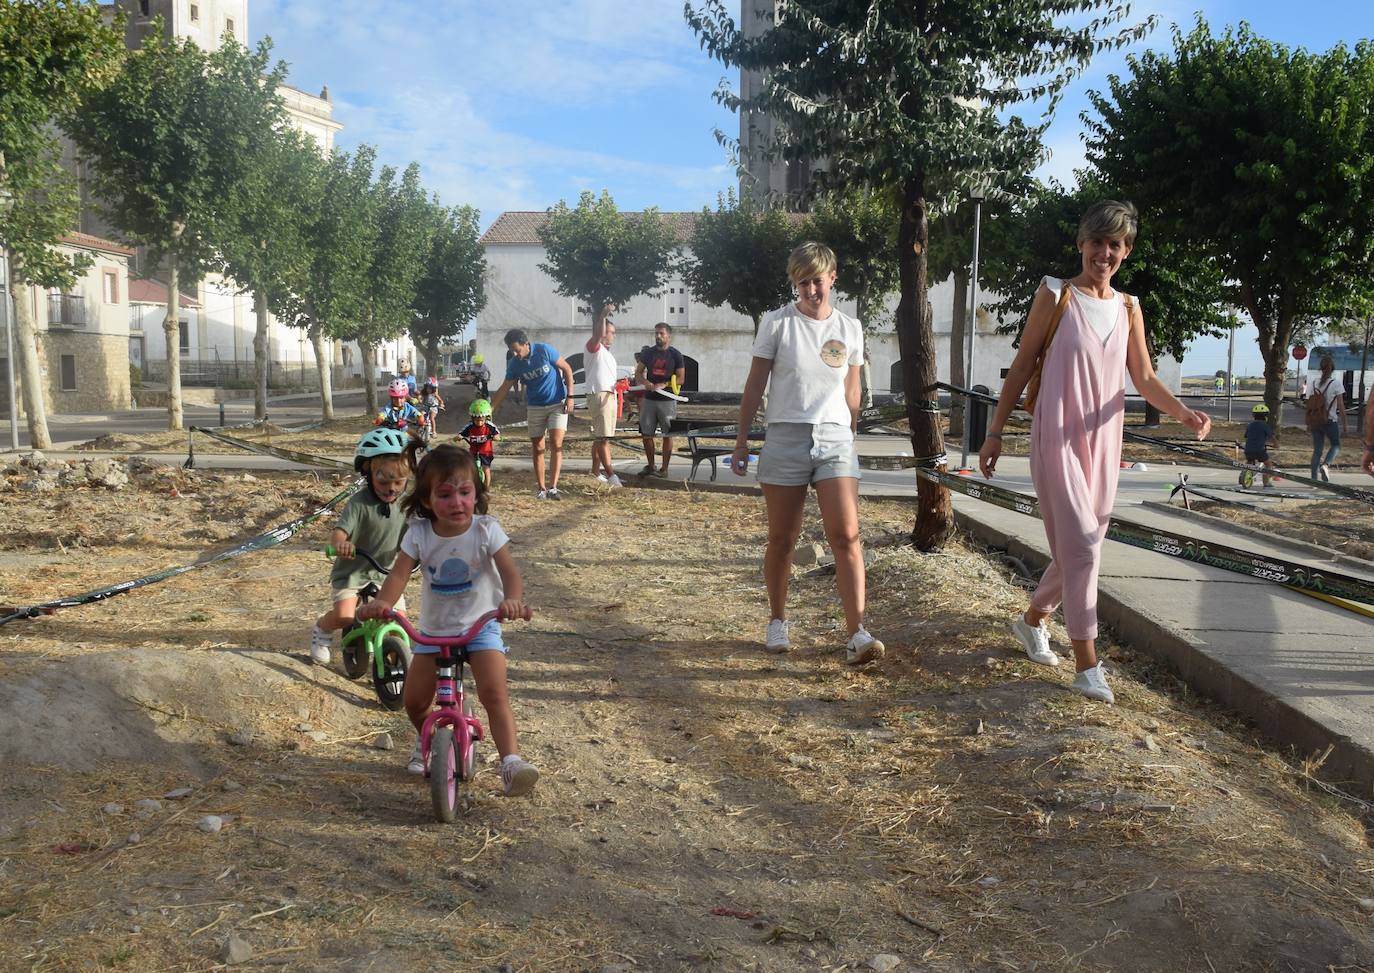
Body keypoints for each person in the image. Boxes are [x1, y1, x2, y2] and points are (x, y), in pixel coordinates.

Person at [979, 200, 1211, 704]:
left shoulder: (1129, 307)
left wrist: (1184, 414)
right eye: (1096, 242)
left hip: (1104, 443)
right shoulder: (1056, 294)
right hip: (1056, 435)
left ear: (1125, 252)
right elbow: (1020, 368)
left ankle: (1032, 620)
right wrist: (995, 432)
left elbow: (1144, 378)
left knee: (1079, 549)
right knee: (1083, 545)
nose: (1104, 252)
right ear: (1081, 244)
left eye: (1115, 245)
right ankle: (1088, 664)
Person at [728, 241, 884, 666]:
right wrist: (743, 441)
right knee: (783, 539)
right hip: (785, 437)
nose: (811, 290)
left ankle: (857, 632)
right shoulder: (777, 325)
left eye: (818, 280)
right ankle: (777, 620)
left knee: (847, 535)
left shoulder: (850, 328)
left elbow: (852, 388)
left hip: (835, 438)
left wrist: (851, 433)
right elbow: (755, 385)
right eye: (802, 283)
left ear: (833, 277)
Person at [359, 444, 539, 796]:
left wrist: (512, 600)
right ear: (426, 501)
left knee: (493, 691)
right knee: (413, 701)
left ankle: (511, 762)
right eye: (444, 495)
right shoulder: (419, 534)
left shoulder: (486, 530)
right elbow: (398, 576)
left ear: (476, 493)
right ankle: (427, 736)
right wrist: (382, 603)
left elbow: (510, 573)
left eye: (464, 492)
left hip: (480, 624)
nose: (456, 502)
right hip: (433, 632)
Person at [310, 428, 411, 665]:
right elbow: (339, 533)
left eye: (399, 481)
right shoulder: (358, 503)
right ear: (368, 472)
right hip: (352, 573)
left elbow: (416, 536)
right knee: (345, 615)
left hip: (386, 575)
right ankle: (322, 629)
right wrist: (341, 545)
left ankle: (398, 667)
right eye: (384, 481)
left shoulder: (407, 505)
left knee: (398, 625)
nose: (392, 488)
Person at [491, 329, 575, 500]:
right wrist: (489, 409)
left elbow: (567, 369)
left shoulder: (544, 350)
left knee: (556, 443)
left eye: (517, 349)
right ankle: (542, 489)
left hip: (557, 403)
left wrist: (570, 397)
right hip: (535, 406)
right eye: (511, 351)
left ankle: (553, 487)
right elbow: (504, 387)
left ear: (526, 344)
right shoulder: (515, 364)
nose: (515, 354)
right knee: (538, 448)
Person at [635, 322, 686, 478]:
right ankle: (651, 466)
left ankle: (664, 469)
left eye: (661, 333)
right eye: (656, 333)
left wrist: (666, 384)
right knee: (646, 434)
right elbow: (638, 373)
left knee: (667, 434)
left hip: (668, 401)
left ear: (668, 336)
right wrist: (646, 383)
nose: (658, 336)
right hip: (649, 400)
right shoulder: (648, 353)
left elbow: (681, 379)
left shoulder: (675, 355)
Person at [584, 318, 622, 487]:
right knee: (603, 438)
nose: (614, 335)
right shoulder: (594, 348)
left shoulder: (607, 354)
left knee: (600, 436)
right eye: (611, 332)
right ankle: (611, 474)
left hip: (609, 394)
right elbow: (597, 334)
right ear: (603, 332)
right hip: (599, 395)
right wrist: (604, 314)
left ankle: (595, 471)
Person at [1307, 354, 1346, 482]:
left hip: (1315, 421)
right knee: (1335, 445)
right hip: (1329, 421)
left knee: (1317, 449)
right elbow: (1341, 406)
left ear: (1321, 368)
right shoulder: (1336, 384)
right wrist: (1345, 425)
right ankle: (1325, 465)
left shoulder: (1313, 383)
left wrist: (1308, 423)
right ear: (1332, 369)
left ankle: (1313, 479)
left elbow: (1309, 404)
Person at [460, 398, 501, 488]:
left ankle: (486, 487)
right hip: (473, 450)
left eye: (481, 420)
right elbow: (462, 433)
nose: (479, 422)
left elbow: (497, 435)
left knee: (486, 468)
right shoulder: (470, 426)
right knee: (471, 467)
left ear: (486, 418)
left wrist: (494, 437)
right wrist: (459, 437)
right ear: (472, 418)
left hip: (486, 451)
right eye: (476, 420)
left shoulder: (489, 426)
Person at [1241, 403, 1277, 488]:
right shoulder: (1265, 426)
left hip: (1248, 449)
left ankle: (1245, 474)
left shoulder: (1250, 425)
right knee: (1268, 465)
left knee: (1250, 462)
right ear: (1266, 416)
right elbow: (1272, 437)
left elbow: (1246, 436)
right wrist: (1276, 445)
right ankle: (1266, 483)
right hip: (1259, 450)